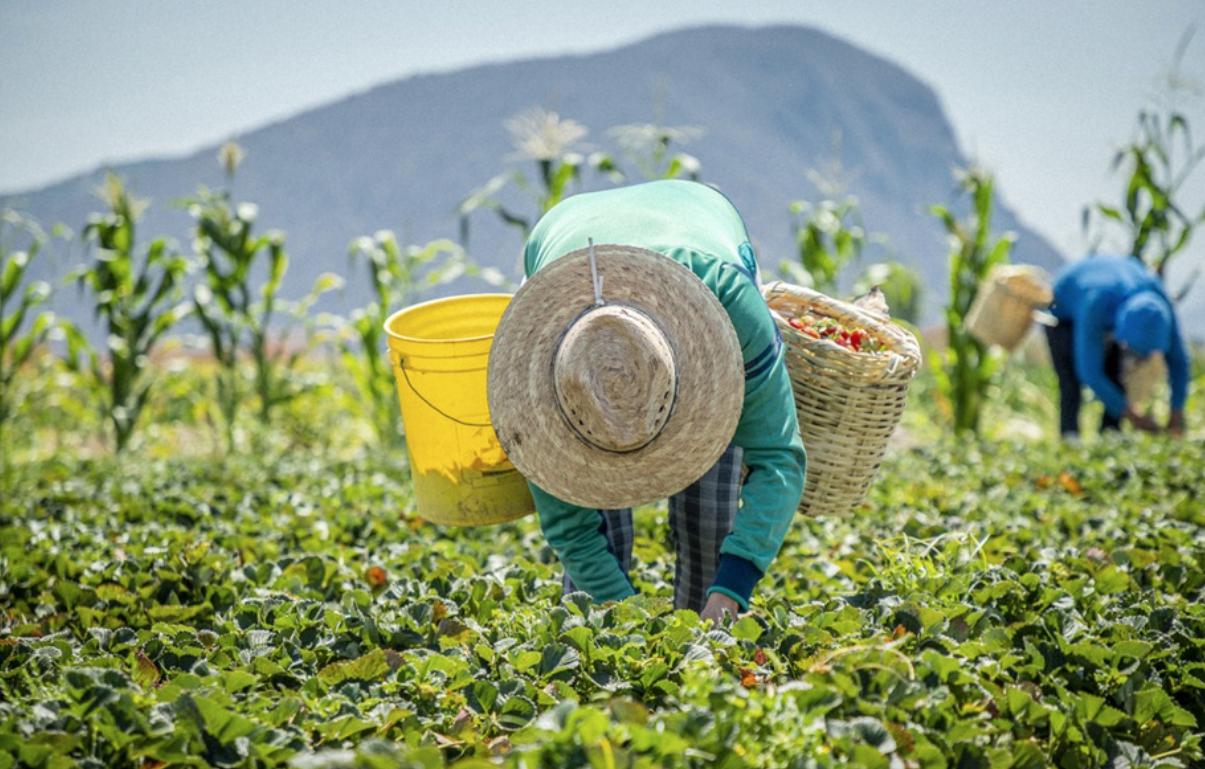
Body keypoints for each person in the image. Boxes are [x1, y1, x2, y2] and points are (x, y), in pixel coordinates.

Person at [488, 180, 806, 624]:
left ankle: (709, 657)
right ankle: (599, 649)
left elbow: (779, 458)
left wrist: (730, 589)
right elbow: (572, 530)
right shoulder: (532, 364)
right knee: (594, 580)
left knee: (711, 525)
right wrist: (627, 621)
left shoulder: (729, 307)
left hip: (697, 231)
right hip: (567, 243)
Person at [1045, 255, 1189, 438]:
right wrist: (1134, 417)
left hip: (1109, 305)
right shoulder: (1096, 301)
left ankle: (1111, 434)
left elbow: (1179, 362)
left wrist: (1176, 413)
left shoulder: (1160, 304)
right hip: (1063, 309)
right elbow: (1089, 372)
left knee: (1116, 371)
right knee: (1071, 380)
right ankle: (1070, 437)